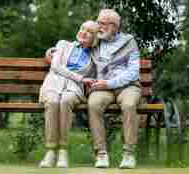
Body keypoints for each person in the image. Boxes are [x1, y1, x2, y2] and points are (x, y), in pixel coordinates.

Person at [38, 20, 99, 168]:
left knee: (65, 101)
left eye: (89, 32)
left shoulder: (95, 56)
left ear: (94, 38)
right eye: (82, 28)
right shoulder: (63, 44)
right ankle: (51, 151)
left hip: (74, 88)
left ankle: (63, 150)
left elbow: (101, 72)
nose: (83, 32)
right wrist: (81, 78)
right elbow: (56, 66)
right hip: (53, 82)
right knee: (52, 101)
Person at [87, 9, 141, 169]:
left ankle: (129, 154)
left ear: (114, 26)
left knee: (129, 105)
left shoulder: (129, 41)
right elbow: (76, 45)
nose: (98, 26)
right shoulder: (96, 40)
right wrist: (53, 52)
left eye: (102, 23)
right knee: (94, 104)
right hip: (103, 87)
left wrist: (109, 83)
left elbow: (133, 72)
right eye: (98, 22)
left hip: (127, 86)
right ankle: (101, 154)